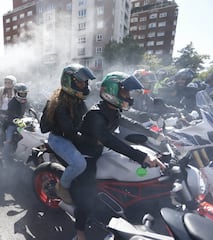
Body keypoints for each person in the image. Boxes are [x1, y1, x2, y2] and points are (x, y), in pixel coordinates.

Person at [70, 72, 166, 240]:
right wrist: (141, 157)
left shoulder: (111, 109)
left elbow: (129, 122)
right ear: (112, 91)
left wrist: (153, 134)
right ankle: (80, 232)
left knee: (128, 170)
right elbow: (109, 140)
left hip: (102, 150)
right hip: (87, 154)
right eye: (125, 92)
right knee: (86, 193)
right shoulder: (95, 114)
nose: (128, 96)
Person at [43, 63, 96, 204]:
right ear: (69, 81)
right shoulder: (60, 102)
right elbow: (70, 131)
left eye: (85, 82)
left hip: (73, 137)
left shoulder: (77, 99)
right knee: (79, 164)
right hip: (59, 139)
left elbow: (86, 118)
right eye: (80, 82)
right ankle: (63, 187)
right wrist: (90, 140)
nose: (84, 85)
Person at [1, 82, 29, 163]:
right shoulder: (12, 102)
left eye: (25, 94)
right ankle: (4, 158)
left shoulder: (26, 101)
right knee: (8, 140)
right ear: (16, 93)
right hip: (12, 124)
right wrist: (16, 120)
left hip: (22, 123)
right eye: (21, 94)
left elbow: (28, 109)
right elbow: (10, 115)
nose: (23, 96)